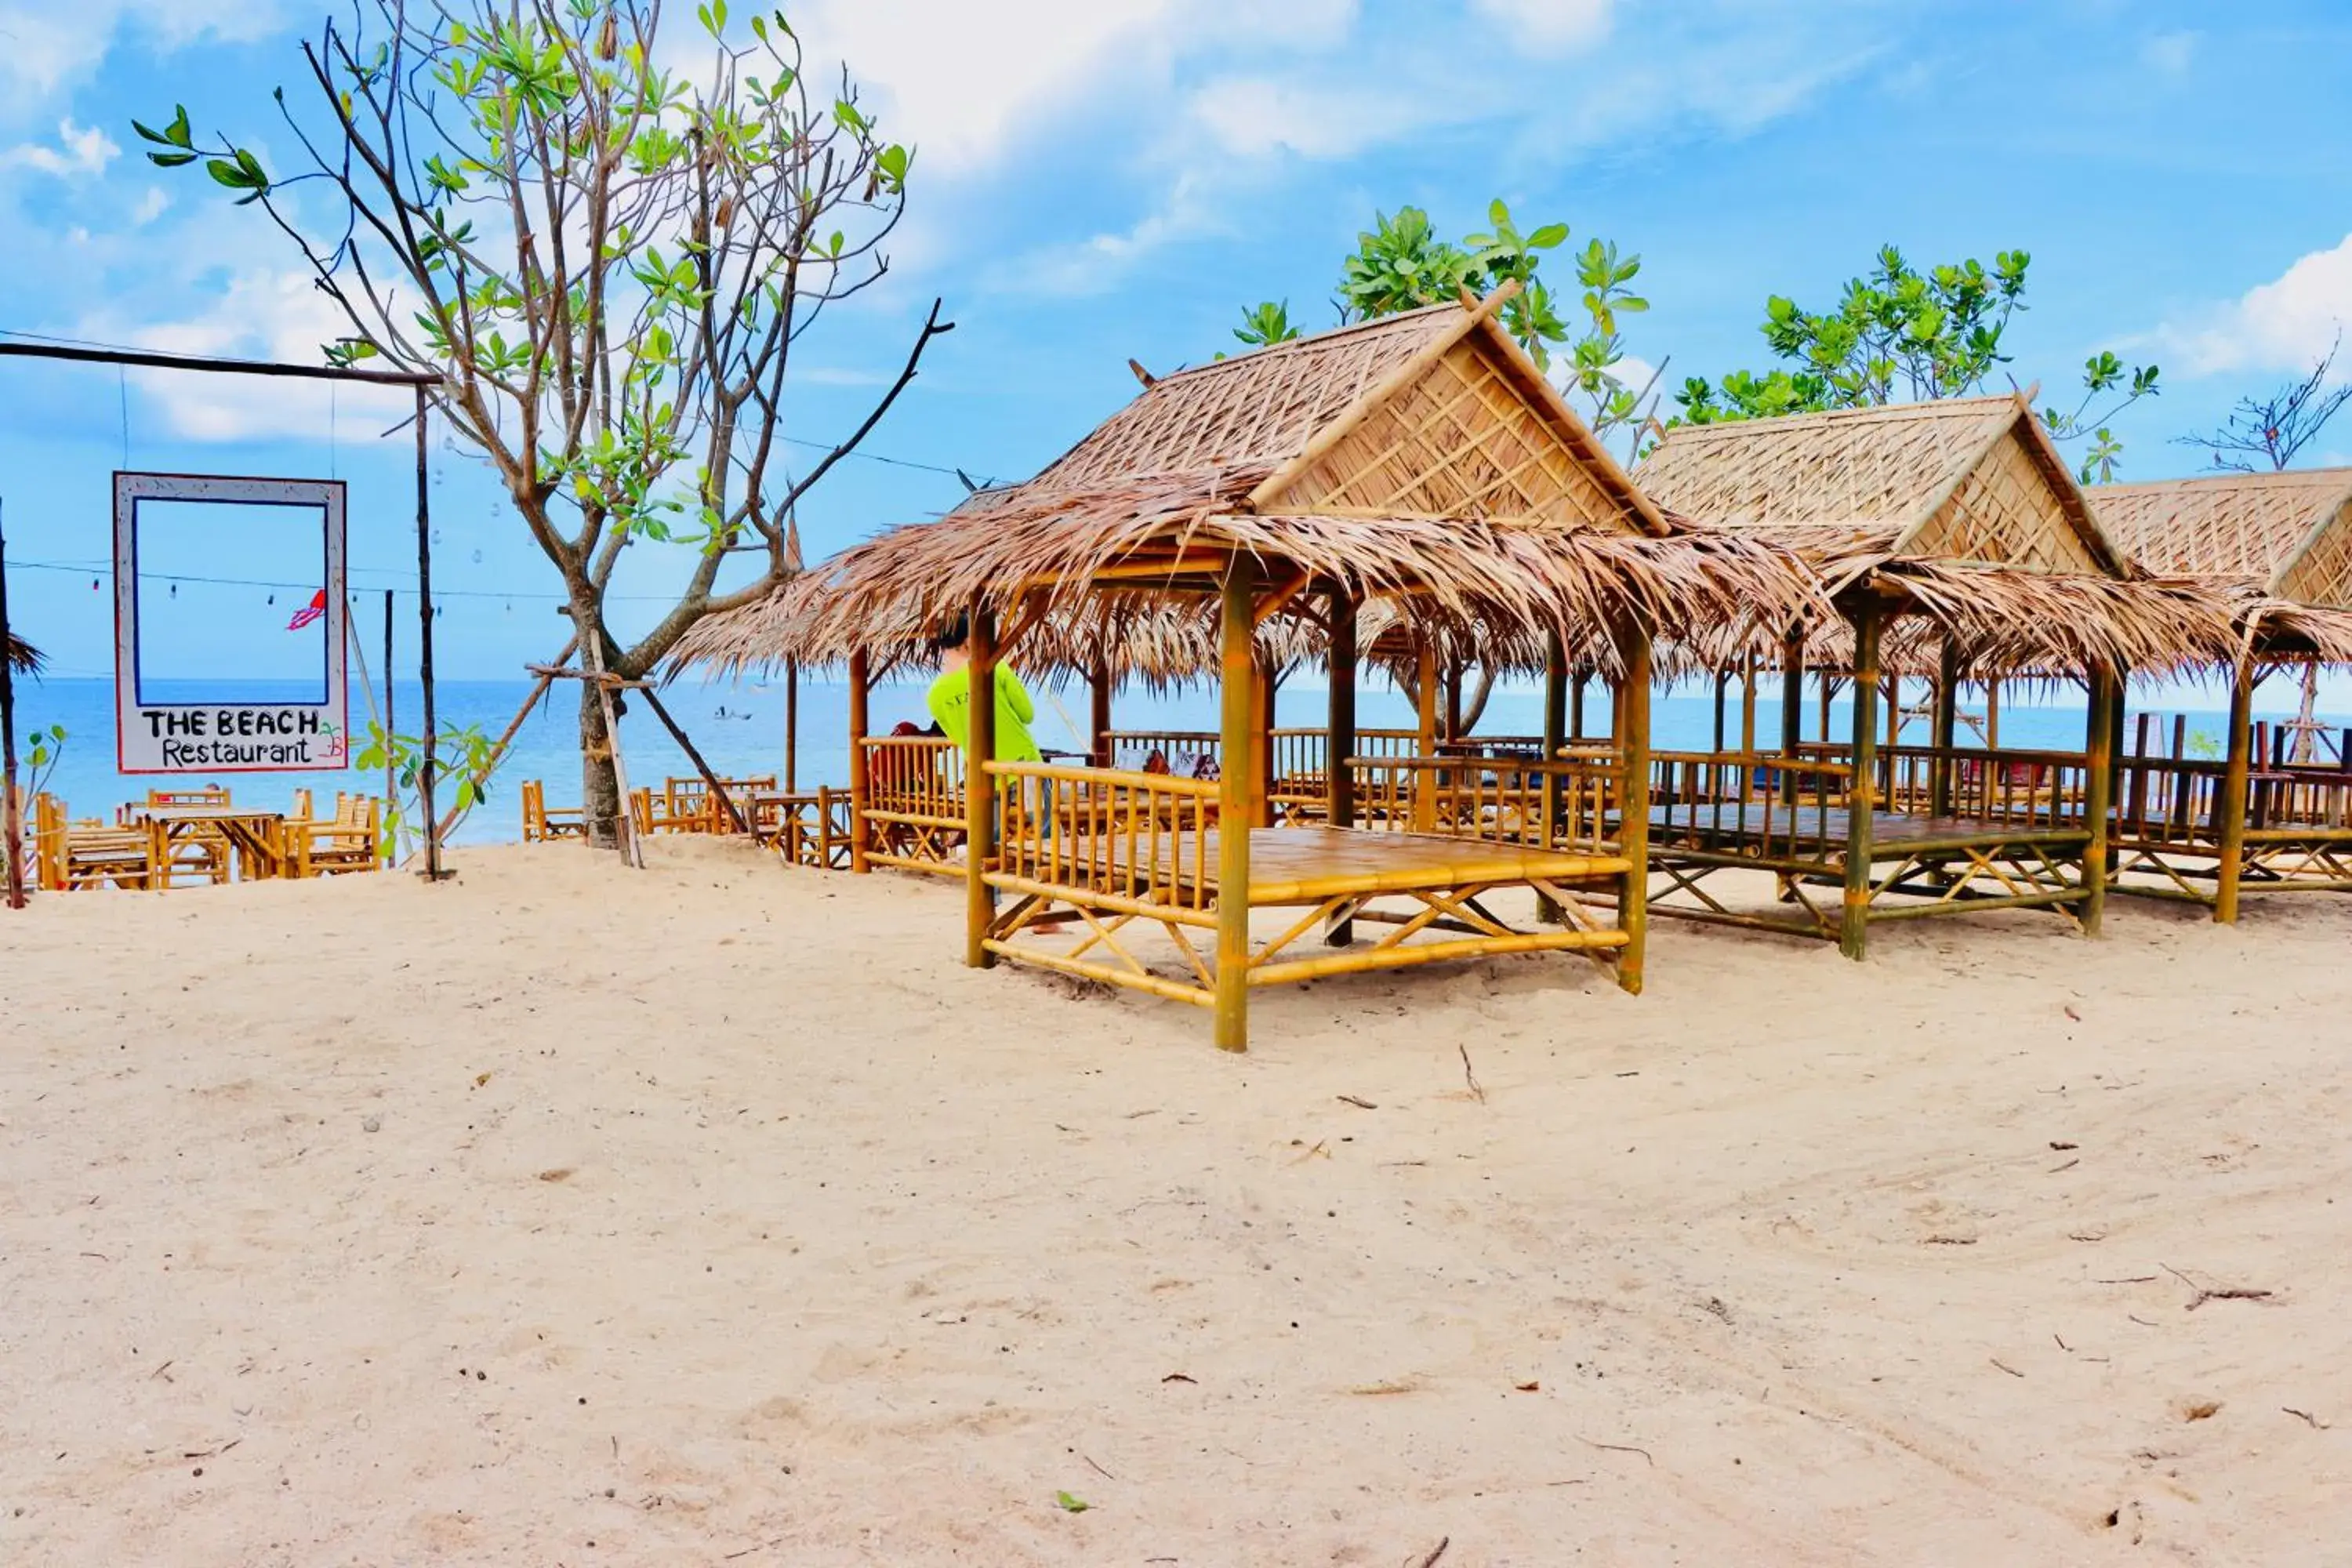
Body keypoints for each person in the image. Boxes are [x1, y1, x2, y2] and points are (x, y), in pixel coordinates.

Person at [926, 613, 1043, 763]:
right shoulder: (995, 669)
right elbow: (1027, 715)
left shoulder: (934, 695)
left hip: (981, 774)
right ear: (968, 641)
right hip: (1023, 767)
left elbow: (956, 737)